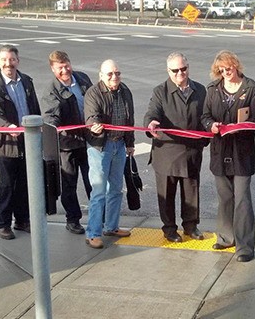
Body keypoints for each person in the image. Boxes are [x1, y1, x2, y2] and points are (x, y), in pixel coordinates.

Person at [201, 50, 255, 262]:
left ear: (236, 65)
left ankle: (245, 247)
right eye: (221, 69)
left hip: (241, 151)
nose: (226, 72)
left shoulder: (251, 88)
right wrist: (212, 125)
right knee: (225, 197)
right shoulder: (213, 89)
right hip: (219, 149)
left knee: (242, 199)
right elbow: (205, 116)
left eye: (229, 68)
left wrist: (241, 127)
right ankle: (226, 237)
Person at [144, 52, 209, 243]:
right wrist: (151, 124)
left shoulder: (200, 90)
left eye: (184, 69)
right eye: (175, 70)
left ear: (188, 67)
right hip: (167, 153)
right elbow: (152, 113)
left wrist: (204, 140)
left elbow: (206, 116)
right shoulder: (160, 91)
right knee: (167, 195)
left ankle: (191, 226)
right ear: (168, 71)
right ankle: (169, 229)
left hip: (191, 152)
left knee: (191, 193)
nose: (180, 73)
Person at [0, 45, 41, 240]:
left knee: (25, 183)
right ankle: (3, 224)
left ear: (18, 60)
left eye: (12, 59)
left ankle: (22, 220)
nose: (8, 63)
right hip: (6, 143)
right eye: (4, 60)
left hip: (27, 140)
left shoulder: (26, 81)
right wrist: (8, 126)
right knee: (7, 185)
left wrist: (38, 126)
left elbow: (34, 107)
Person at [84, 59, 134, 249]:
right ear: (101, 76)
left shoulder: (125, 90)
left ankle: (111, 226)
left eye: (118, 73)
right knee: (98, 192)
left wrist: (130, 143)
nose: (115, 77)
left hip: (119, 145)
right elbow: (91, 116)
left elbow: (130, 118)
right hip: (100, 147)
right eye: (110, 74)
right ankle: (93, 233)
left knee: (115, 189)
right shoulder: (93, 93)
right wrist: (95, 127)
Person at [41, 51, 93, 235]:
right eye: (60, 67)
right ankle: (73, 219)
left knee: (93, 181)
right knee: (69, 185)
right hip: (67, 145)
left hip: (87, 141)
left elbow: (94, 101)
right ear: (53, 69)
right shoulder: (51, 90)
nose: (65, 70)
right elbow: (50, 117)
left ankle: (97, 217)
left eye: (66, 65)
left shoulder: (82, 79)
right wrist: (56, 128)